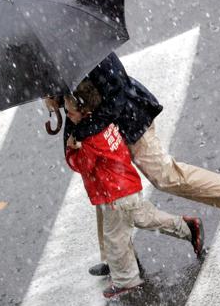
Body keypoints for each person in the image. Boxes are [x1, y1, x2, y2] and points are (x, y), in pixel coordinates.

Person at [54, 52, 220, 276]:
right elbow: (75, 100)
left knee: (167, 177)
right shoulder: (52, 58)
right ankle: (118, 259)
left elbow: (118, 94)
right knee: (105, 187)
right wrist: (56, 101)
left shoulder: (89, 49)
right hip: (101, 128)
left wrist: (84, 131)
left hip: (130, 122)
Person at [61, 93, 204, 298]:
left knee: (115, 238)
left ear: (85, 113)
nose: (68, 115)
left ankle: (126, 280)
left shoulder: (89, 137)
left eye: (70, 112)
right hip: (127, 185)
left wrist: (71, 151)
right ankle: (187, 227)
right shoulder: (105, 124)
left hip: (114, 195)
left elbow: (82, 165)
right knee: (146, 218)